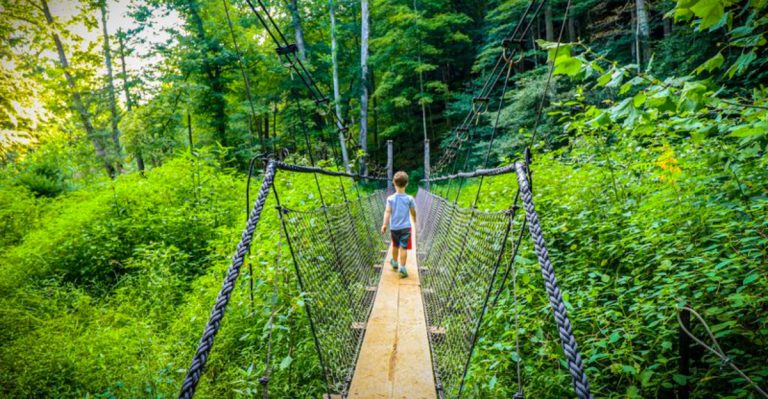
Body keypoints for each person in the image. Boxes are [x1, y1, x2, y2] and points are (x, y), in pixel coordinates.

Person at [380, 171, 417, 278]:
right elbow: (413, 212)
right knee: (403, 247)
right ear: (406, 184)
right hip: (406, 227)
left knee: (395, 245)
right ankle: (403, 267)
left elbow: (387, 212)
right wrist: (414, 220)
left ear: (394, 183)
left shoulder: (390, 199)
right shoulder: (410, 198)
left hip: (394, 228)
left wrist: (384, 225)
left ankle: (395, 262)